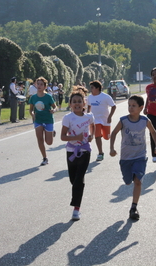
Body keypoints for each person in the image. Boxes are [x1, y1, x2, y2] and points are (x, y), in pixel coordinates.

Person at [110, 95, 156, 220]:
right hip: (126, 158)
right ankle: (130, 177)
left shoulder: (145, 120)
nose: (130, 108)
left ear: (141, 108)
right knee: (128, 181)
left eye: (133, 106)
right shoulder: (123, 120)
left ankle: (134, 207)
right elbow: (114, 133)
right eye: (129, 105)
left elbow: (154, 132)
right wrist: (111, 148)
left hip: (140, 156)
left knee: (138, 181)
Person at [61, 87, 95, 221]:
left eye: (79, 101)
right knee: (73, 180)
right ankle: (77, 200)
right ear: (70, 104)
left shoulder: (89, 116)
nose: (77, 104)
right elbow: (63, 137)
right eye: (74, 101)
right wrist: (75, 138)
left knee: (79, 180)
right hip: (71, 151)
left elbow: (93, 126)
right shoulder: (67, 118)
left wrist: (91, 135)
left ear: (84, 104)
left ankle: (76, 209)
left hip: (85, 150)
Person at [29, 77, 57, 166]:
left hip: (48, 120)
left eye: (41, 84)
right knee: (39, 139)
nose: (39, 86)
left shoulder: (48, 97)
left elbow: (55, 106)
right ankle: (45, 158)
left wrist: (54, 110)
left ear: (45, 87)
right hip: (38, 120)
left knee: (49, 142)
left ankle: (52, 132)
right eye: (38, 84)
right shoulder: (33, 97)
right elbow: (31, 110)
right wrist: (32, 114)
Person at [87, 80, 116, 161]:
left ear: (98, 88)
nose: (91, 89)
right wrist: (87, 116)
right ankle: (100, 153)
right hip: (95, 120)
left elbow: (114, 106)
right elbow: (88, 107)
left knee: (107, 137)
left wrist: (110, 116)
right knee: (97, 136)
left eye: (92, 88)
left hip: (105, 119)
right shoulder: (90, 97)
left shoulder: (106, 97)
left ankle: (102, 135)